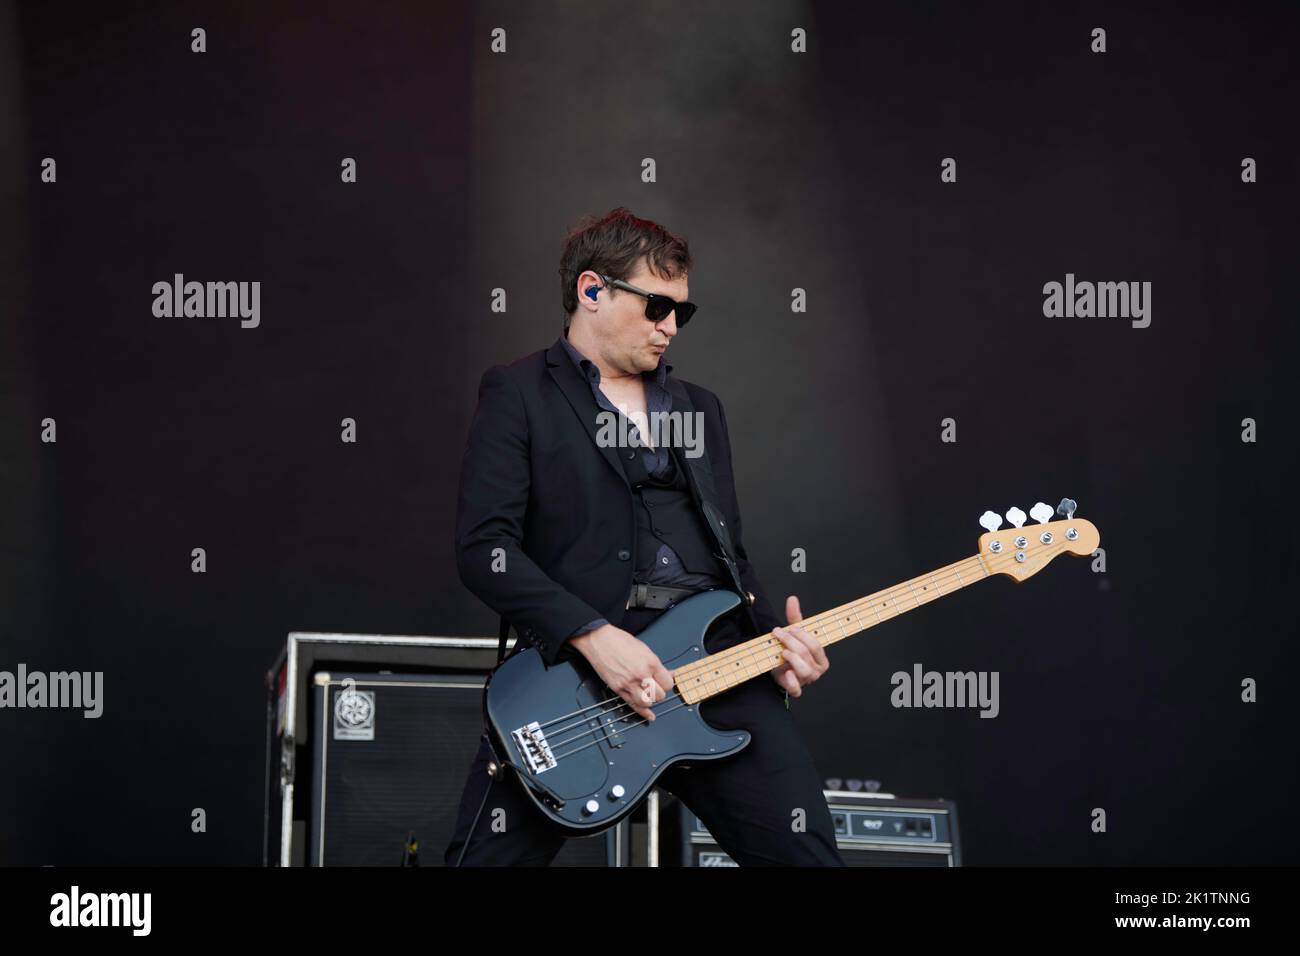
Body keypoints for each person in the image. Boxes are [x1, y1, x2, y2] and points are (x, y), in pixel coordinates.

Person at [444, 208, 843, 866]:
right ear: (592, 290)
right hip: (575, 682)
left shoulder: (699, 408)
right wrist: (594, 638)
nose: (669, 327)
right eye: (657, 306)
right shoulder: (518, 393)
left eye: (681, 313)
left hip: (720, 669)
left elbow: (728, 555)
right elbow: (483, 549)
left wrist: (777, 643)